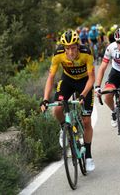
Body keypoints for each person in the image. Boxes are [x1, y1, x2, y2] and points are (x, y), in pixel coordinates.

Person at [40, 29, 96, 172]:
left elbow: (92, 78)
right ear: (63, 48)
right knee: (57, 108)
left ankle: (88, 155)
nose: (70, 52)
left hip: (85, 82)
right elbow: (51, 78)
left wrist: (83, 95)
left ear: (77, 46)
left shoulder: (86, 53)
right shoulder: (58, 54)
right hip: (68, 81)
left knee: (86, 121)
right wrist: (45, 99)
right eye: (67, 48)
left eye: (73, 48)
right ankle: (63, 128)